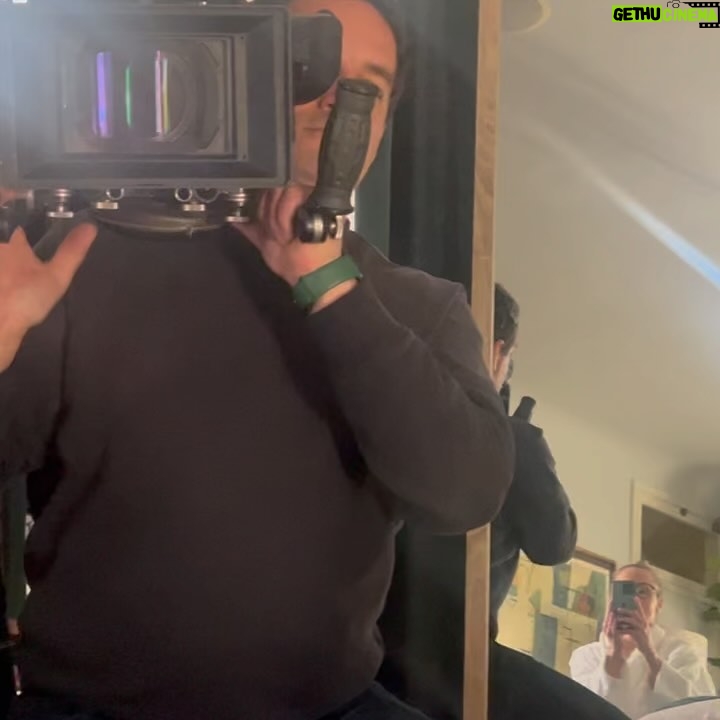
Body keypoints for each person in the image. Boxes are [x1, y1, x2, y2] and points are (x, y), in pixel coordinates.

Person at [0, 1, 515, 719]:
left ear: (380, 125)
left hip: (330, 709)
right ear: (242, 72)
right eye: (313, 65)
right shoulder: (83, 259)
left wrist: (329, 285)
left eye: (366, 86)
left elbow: (466, 493)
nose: (336, 98)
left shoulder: (418, 305)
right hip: (89, 707)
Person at [486, 283, 632, 720]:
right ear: (497, 353)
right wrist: (524, 444)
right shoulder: (513, 441)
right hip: (458, 647)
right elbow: (555, 544)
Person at [570, 562, 716, 719]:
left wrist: (649, 653)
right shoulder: (586, 655)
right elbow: (585, 710)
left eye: (643, 591)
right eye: (624, 591)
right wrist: (614, 655)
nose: (634, 600)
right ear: (611, 599)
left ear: (659, 603)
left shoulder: (682, 651)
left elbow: (700, 708)